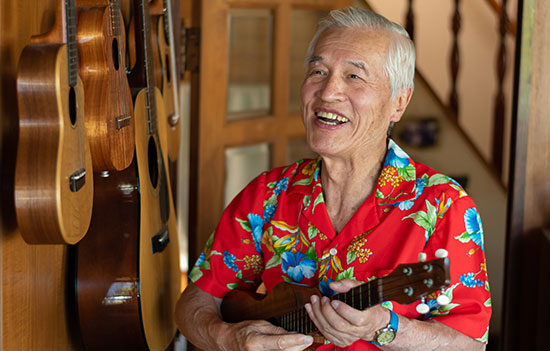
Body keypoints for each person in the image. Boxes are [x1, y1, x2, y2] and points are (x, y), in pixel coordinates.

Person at [175, 7, 491, 350]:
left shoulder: (444, 206)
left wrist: (385, 327)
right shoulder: (268, 196)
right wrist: (227, 338)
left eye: (354, 77)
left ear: (398, 103)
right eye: (318, 71)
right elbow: (196, 302)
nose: (327, 92)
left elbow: (470, 343)